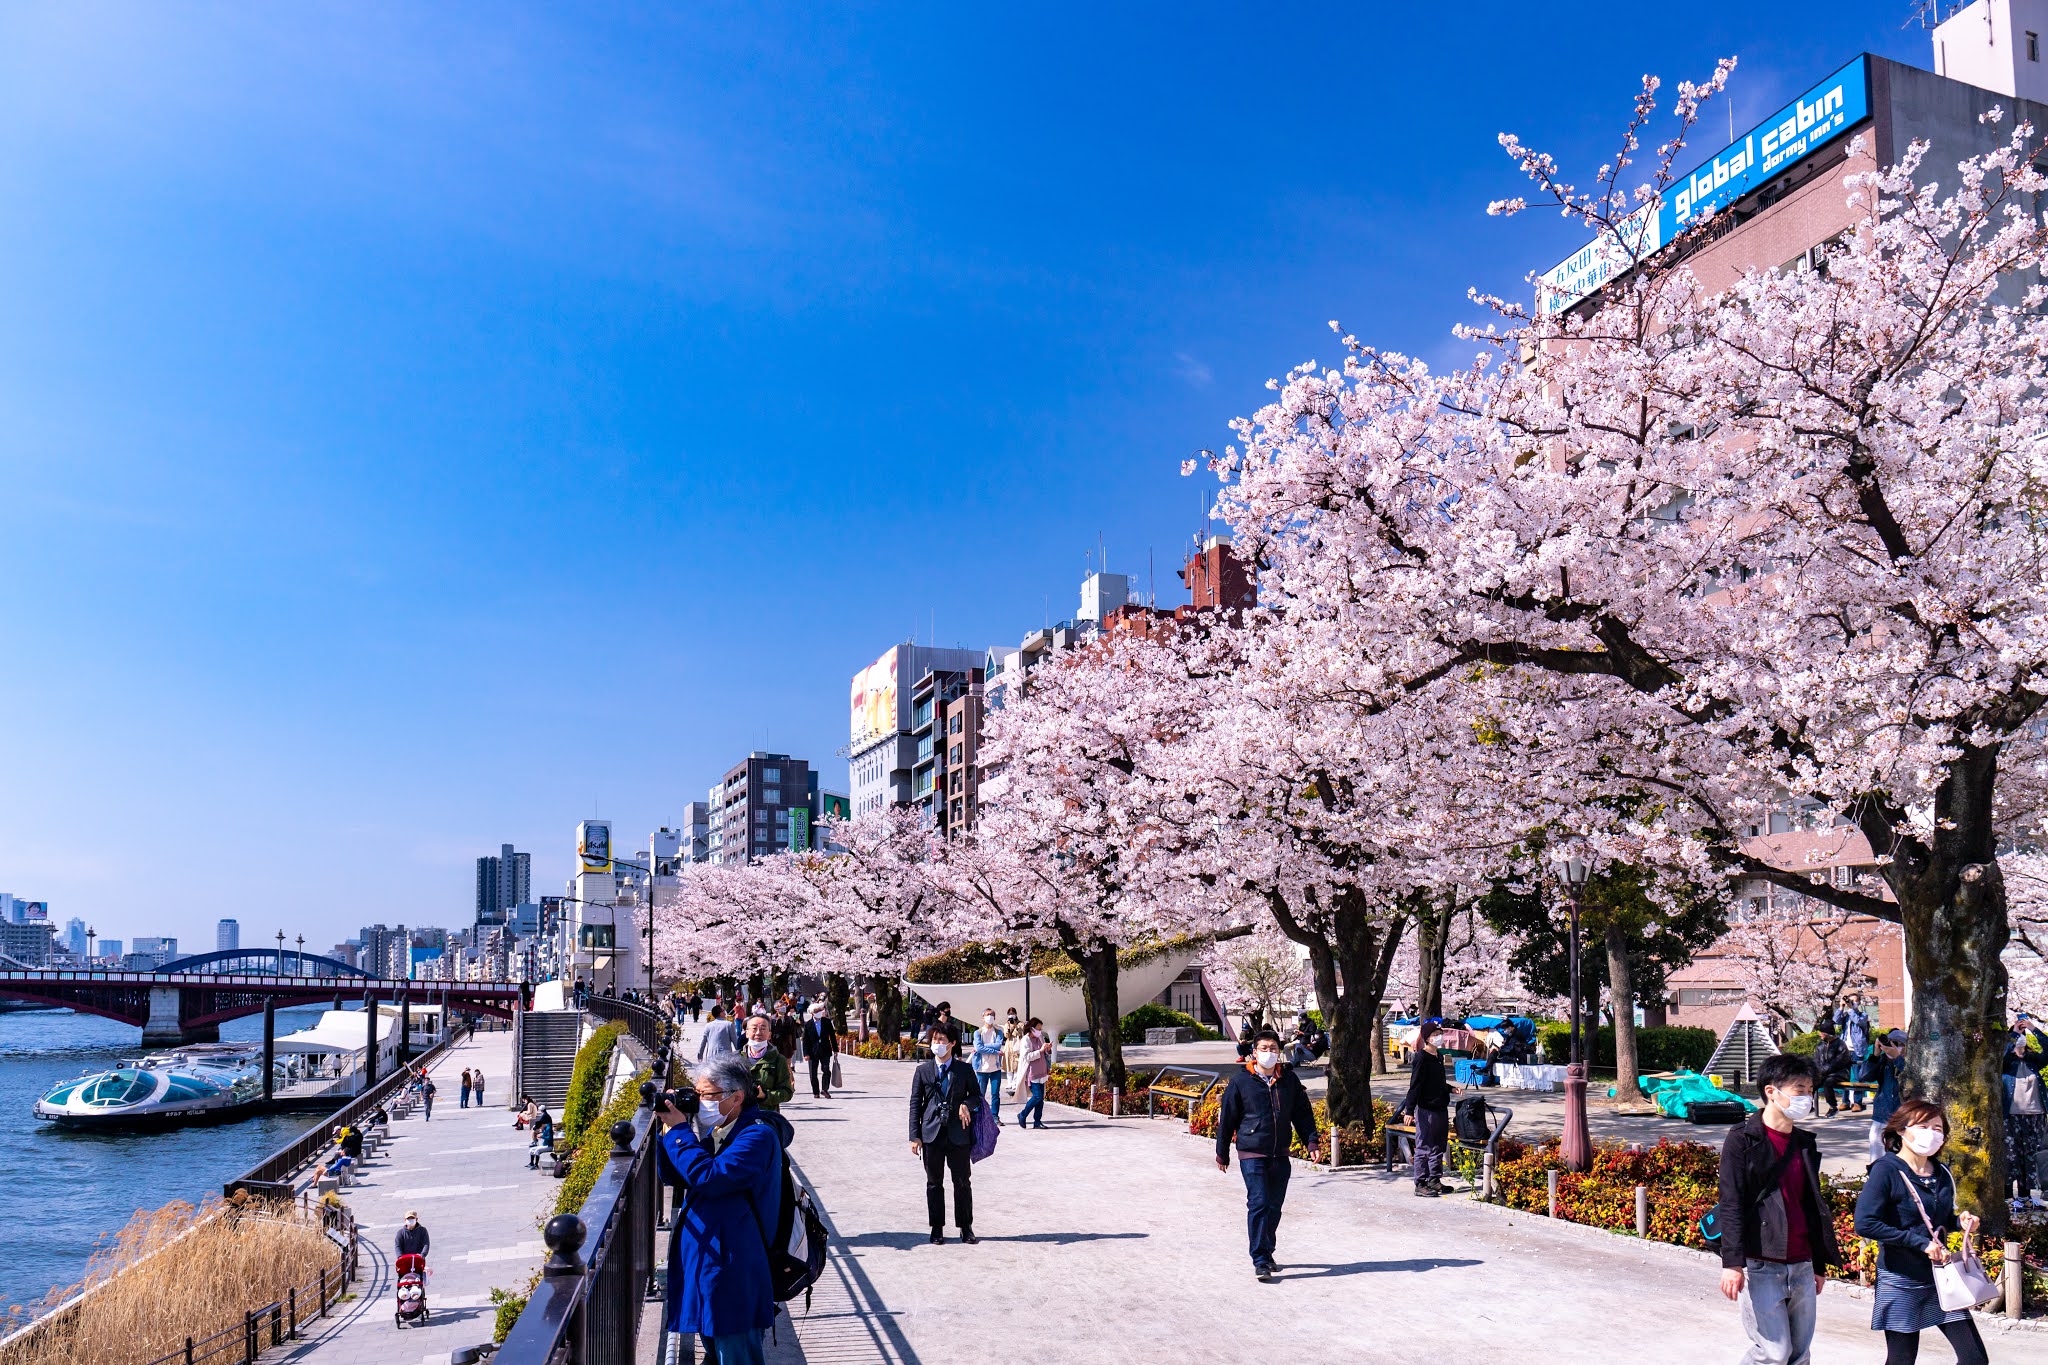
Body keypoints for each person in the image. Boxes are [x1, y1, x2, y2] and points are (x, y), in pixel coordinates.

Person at [655, 1052, 786, 1365]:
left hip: (734, 1270)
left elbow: (709, 1177)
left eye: (706, 1095)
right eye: (697, 1094)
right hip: (713, 1266)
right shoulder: (722, 1132)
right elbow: (677, 1175)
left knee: (736, 1354)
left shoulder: (756, 1136)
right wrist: (668, 1131)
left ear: (736, 1097)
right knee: (716, 1352)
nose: (700, 1102)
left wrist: (680, 1133)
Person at [1713, 1053, 1842, 1365]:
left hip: (1802, 1262)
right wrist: (1732, 1263)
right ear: (1771, 1091)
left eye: (1810, 1090)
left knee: (1799, 1354)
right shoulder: (1743, 1139)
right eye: (1799, 1089)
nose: (1807, 1097)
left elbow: (1810, 1204)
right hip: (1762, 1261)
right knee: (1772, 1353)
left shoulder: (1804, 1142)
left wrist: (1818, 1264)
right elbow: (1731, 1202)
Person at [1853, 1098, 1990, 1365]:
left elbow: (1938, 1219)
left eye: (1938, 1128)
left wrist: (1960, 1222)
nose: (1932, 1133)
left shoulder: (1941, 1172)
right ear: (1901, 1130)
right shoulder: (1886, 1170)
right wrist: (1920, 1243)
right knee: (1902, 1359)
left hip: (1942, 1279)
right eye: (1923, 1126)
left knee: (1974, 1358)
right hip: (1900, 1278)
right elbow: (1866, 1223)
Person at [1213, 1028, 1320, 1281]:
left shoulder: (1288, 1080)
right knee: (1259, 1203)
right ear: (1254, 1052)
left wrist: (1311, 1141)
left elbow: (1303, 1113)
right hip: (1252, 1152)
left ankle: (1267, 1251)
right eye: (1264, 1048)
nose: (1269, 1053)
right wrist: (1222, 1152)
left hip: (1280, 1153)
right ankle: (1260, 1259)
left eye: (1273, 1049)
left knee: (1274, 1206)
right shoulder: (1240, 1082)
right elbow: (1227, 1118)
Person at [909, 1021, 985, 1244]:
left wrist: (966, 1105)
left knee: (962, 1182)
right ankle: (937, 1228)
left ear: (952, 1043)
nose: (937, 1043)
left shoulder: (964, 1070)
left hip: (958, 1134)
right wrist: (914, 1136)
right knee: (934, 1183)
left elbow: (977, 1096)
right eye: (934, 1040)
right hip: (931, 1134)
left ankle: (965, 1226)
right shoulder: (922, 1071)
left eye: (941, 1040)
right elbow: (915, 1104)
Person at [1393, 1020, 1451, 1197]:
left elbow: (1438, 1081)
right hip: (1426, 1109)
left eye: (1440, 1034)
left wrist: (1450, 1088)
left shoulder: (1438, 1056)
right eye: (1435, 1035)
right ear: (1427, 1038)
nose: (1439, 1037)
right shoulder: (1421, 1057)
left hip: (1441, 1107)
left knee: (1438, 1146)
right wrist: (1409, 1110)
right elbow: (1415, 1085)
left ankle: (1434, 1179)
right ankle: (1420, 1182)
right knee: (1424, 1146)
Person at [2001, 1024, 2046, 1197]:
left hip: (2035, 1115)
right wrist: (2013, 1035)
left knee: (2031, 1156)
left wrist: (2033, 1029)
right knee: (2011, 1156)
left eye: (2022, 1035)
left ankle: (2025, 1196)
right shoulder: (2006, 1062)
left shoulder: (2034, 1061)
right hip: (2011, 1116)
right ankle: (2007, 1195)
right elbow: (2001, 1055)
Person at [1856, 1030, 1909, 1166]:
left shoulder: (1910, 1063)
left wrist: (1898, 1058)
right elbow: (1864, 1076)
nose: (1893, 1046)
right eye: (1890, 1043)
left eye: (1897, 1043)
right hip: (1881, 1116)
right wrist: (1875, 1056)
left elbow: (1911, 1079)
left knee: (1900, 1160)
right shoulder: (1883, 1061)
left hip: (1903, 1119)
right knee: (1877, 1159)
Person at [741, 1016, 794, 1112]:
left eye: (763, 1029)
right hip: (740, 1115)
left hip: (767, 1114)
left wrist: (765, 1095)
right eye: (754, 1028)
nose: (758, 1033)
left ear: (769, 1035)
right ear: (747, 1033)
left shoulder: (778, 1060)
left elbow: (787, 1093)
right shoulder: (736, 1059)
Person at [970, 1010, 1006, 1124]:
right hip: (982, 1068)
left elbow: (997, 1045)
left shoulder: (998, 1032)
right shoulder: (978, 1032)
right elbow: (979, 1048)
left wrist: (982, 1047)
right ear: (983, 1017)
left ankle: (995, 1116)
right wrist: (995, 1051)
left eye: (992, 1015)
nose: (989, 1017)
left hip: (995, 1068)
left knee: (995, 1094)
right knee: (980, 1095)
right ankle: (978, 1117)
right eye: (987, 1015)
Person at [1014, 1017, 1050, 1130]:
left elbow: (1045, 1052)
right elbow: (1027, 1056)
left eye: (1041, 1029)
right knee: (1037, 1096)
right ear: (1032, 1028)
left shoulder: (1040, 1037)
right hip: (1032, 1072)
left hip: (1042, 1071)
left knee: (1041, 1099)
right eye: (1038, 1029)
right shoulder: (1026, 1040)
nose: (1040, 1031)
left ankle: (1037, 1121)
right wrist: (1040, 1051)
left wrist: (1048, 1049)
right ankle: (1022, 1114)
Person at [1811, 1020, 1852, 1118]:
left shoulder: (1840, 1045)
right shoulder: (1820, 1046)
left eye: (1822, 1032)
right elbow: (1815, 1061)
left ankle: (1833, 1107)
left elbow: (1837, 1063)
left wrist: (1821, 1071)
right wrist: (1816, 1071)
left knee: (1827, 1082)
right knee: (1811, 1081)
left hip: (1839, 1074)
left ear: (1827, 1034)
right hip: (1824, 1074)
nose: (1820, 1034)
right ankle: (1809, 1104)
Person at [802, 1003, 839, 1099]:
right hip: (812, 1052)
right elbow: (805, 1040)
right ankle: (816, 1092)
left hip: (825, 1050)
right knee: (813, 1073)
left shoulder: (827, 1022)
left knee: (826, 1070)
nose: (819, 1012)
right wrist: (806, 1053)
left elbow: (832, 1036)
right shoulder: (808, 1024)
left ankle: (824, 1089)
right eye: (817, 1011)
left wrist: (835, 1049)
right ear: (812, 1013)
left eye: (820, 1010)